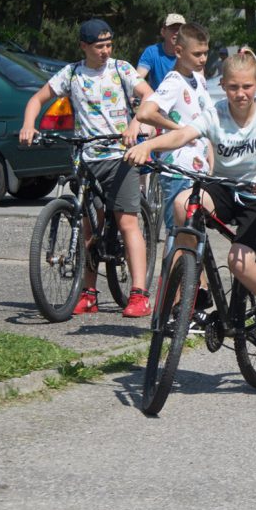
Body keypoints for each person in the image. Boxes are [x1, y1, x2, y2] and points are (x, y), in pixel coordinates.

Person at [123, 49, 256, 355]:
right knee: (182, 203)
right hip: (224, 189)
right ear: (224, 86)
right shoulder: (216, 113)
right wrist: (149, 145)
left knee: (239, 261)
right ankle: (194, 277)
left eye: (246, 87)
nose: (240, 94)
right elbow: (182, 136)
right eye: (233, 87)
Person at [19, 18, 155, 318]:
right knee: (88, 227)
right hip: (87, 159)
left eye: (109, 45)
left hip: (122, 156)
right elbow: (37, 99)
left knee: (127, 223)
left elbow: (149, 96)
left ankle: (139, 294)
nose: (105, 51)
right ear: (83, 46)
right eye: (98, 46)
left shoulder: (122, 69)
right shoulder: (72, 74)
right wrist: (29, 125)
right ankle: (88, 292)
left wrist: (135, 124)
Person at [135, 22, 216, 235]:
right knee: (178, 235)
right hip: (177, 169)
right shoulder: (174, 81)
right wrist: (179, 129)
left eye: (206, 53)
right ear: (179, 52)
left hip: (197, 168)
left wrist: (209, 149)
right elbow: (145, 113)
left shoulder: (198, 78)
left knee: (196, 236)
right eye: (197, 54)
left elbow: (203, 117)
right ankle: (168, 270)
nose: (203, 59)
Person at [136, 13, 185, 87]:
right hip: (157, 97)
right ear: (163, 32)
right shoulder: (151, 52)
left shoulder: (190, 53)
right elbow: (138, 80)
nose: (177, 32)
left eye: (180, 29)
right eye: (173, 28)